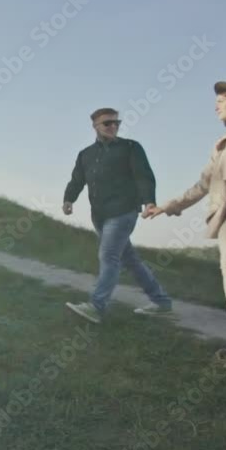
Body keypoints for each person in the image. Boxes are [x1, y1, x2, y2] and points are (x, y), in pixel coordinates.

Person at [143, 80, 226, 359]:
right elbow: (203, 184)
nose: (216, 104)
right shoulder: (221, 146)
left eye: (222, 98)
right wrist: (169, 206)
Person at [61, 107, 173, 324]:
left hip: (124, 211)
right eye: (107, 123)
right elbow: (77, 180)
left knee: (108, 256)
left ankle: (97, 306)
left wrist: (149, 201)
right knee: (129, 260)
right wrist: (69, 199)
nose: (113, 126)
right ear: (95, 126)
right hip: (100, 214)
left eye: (116, 123)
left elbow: (144, 176)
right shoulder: (86, 154)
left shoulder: (130, 147)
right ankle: (161, 301)